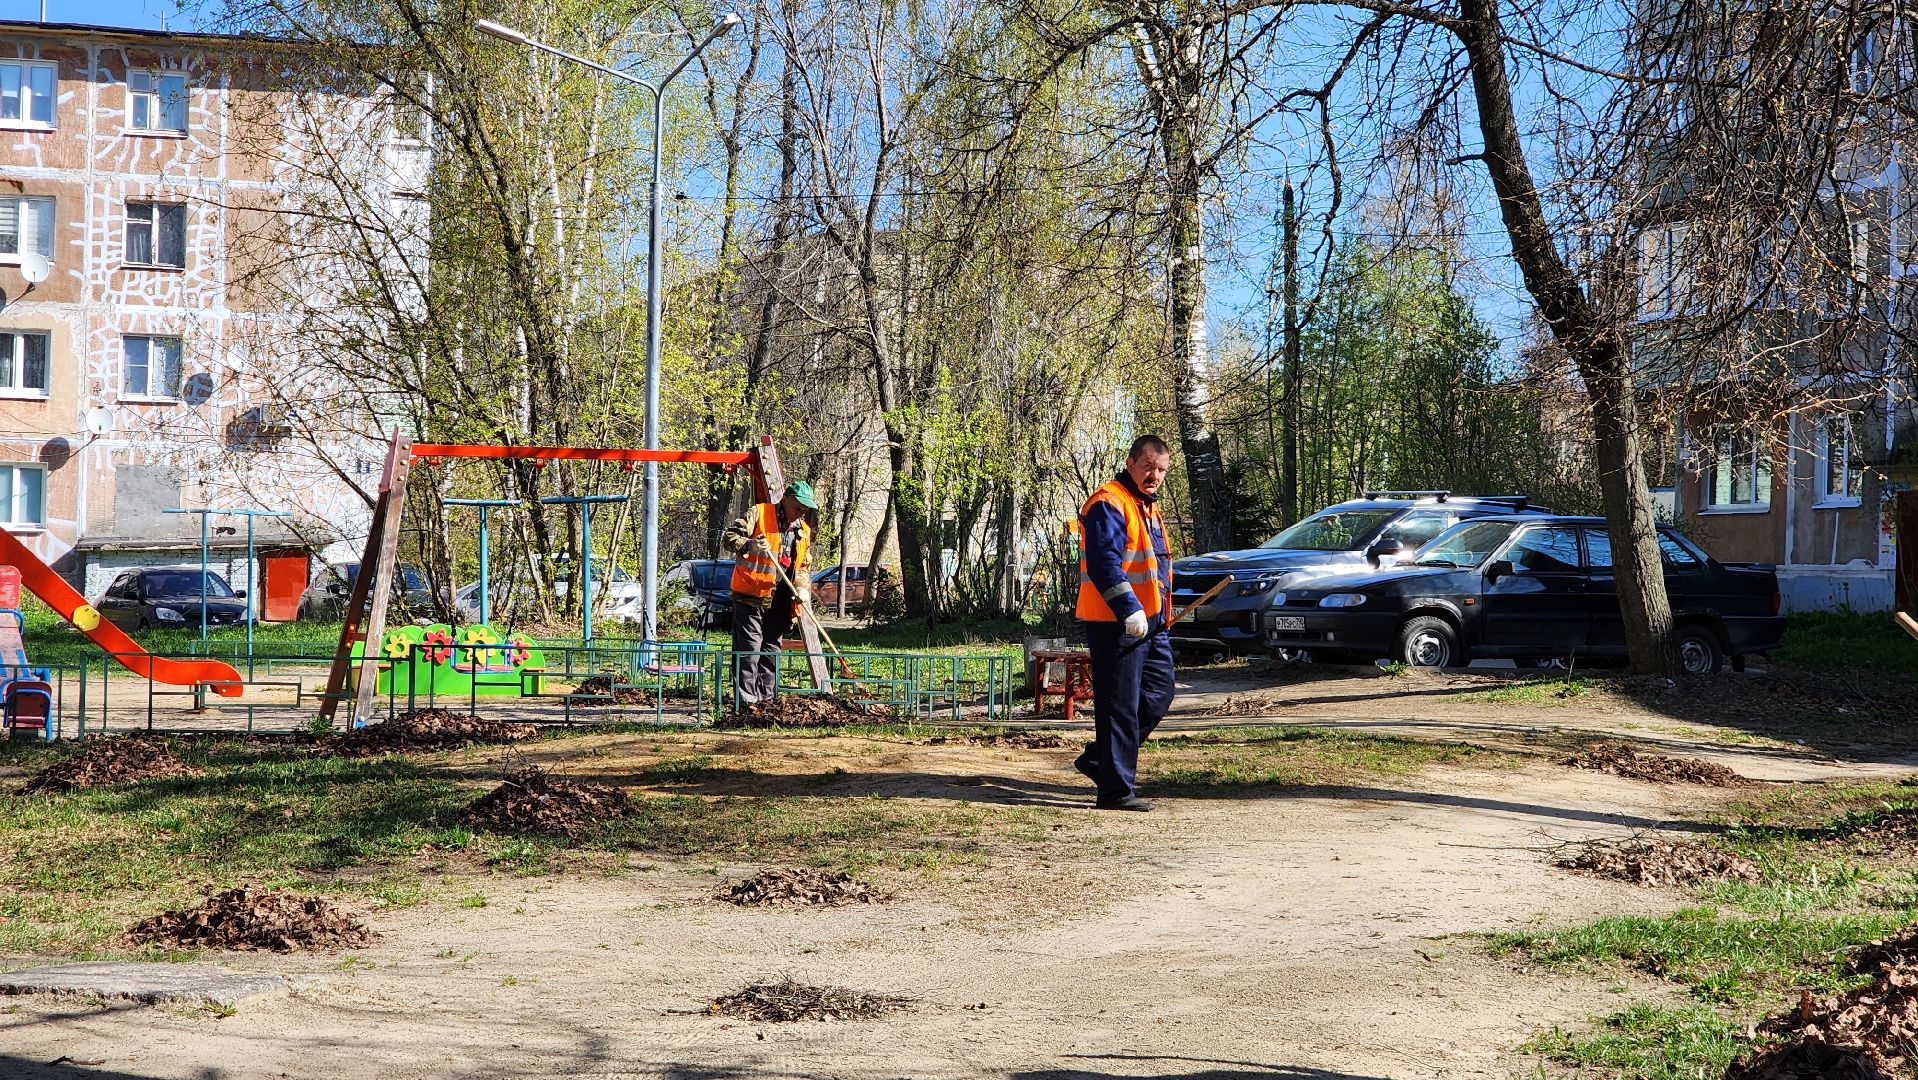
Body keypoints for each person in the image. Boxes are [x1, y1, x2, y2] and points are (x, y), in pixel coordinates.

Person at [1072, 435, 1176, 811]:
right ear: (1131, 463)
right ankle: (1115, 791)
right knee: (1119, 706)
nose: (1155, 475)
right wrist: (1128, 608)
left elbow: (1153, 568)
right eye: (1149, 466)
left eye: (1161, 470)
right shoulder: (1109, 502)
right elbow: (1104, 564)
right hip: (1117, 621)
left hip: (1152, 623)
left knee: (1159, 695)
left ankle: (1102, 760)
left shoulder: (1145, 506)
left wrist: (1157, 615)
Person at [722, 481, 817, 705]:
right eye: (797, 508)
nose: (799, 514)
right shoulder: (759, 513)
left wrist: (803, 587)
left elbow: (803, 566)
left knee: (771, 651)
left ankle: (767, 703)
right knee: (749, 651)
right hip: (750, 596)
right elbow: (729, 538)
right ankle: (746, 704)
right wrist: (750, 545)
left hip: (781, 600)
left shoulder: (803, 532)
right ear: (785, 499)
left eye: (804, 510)